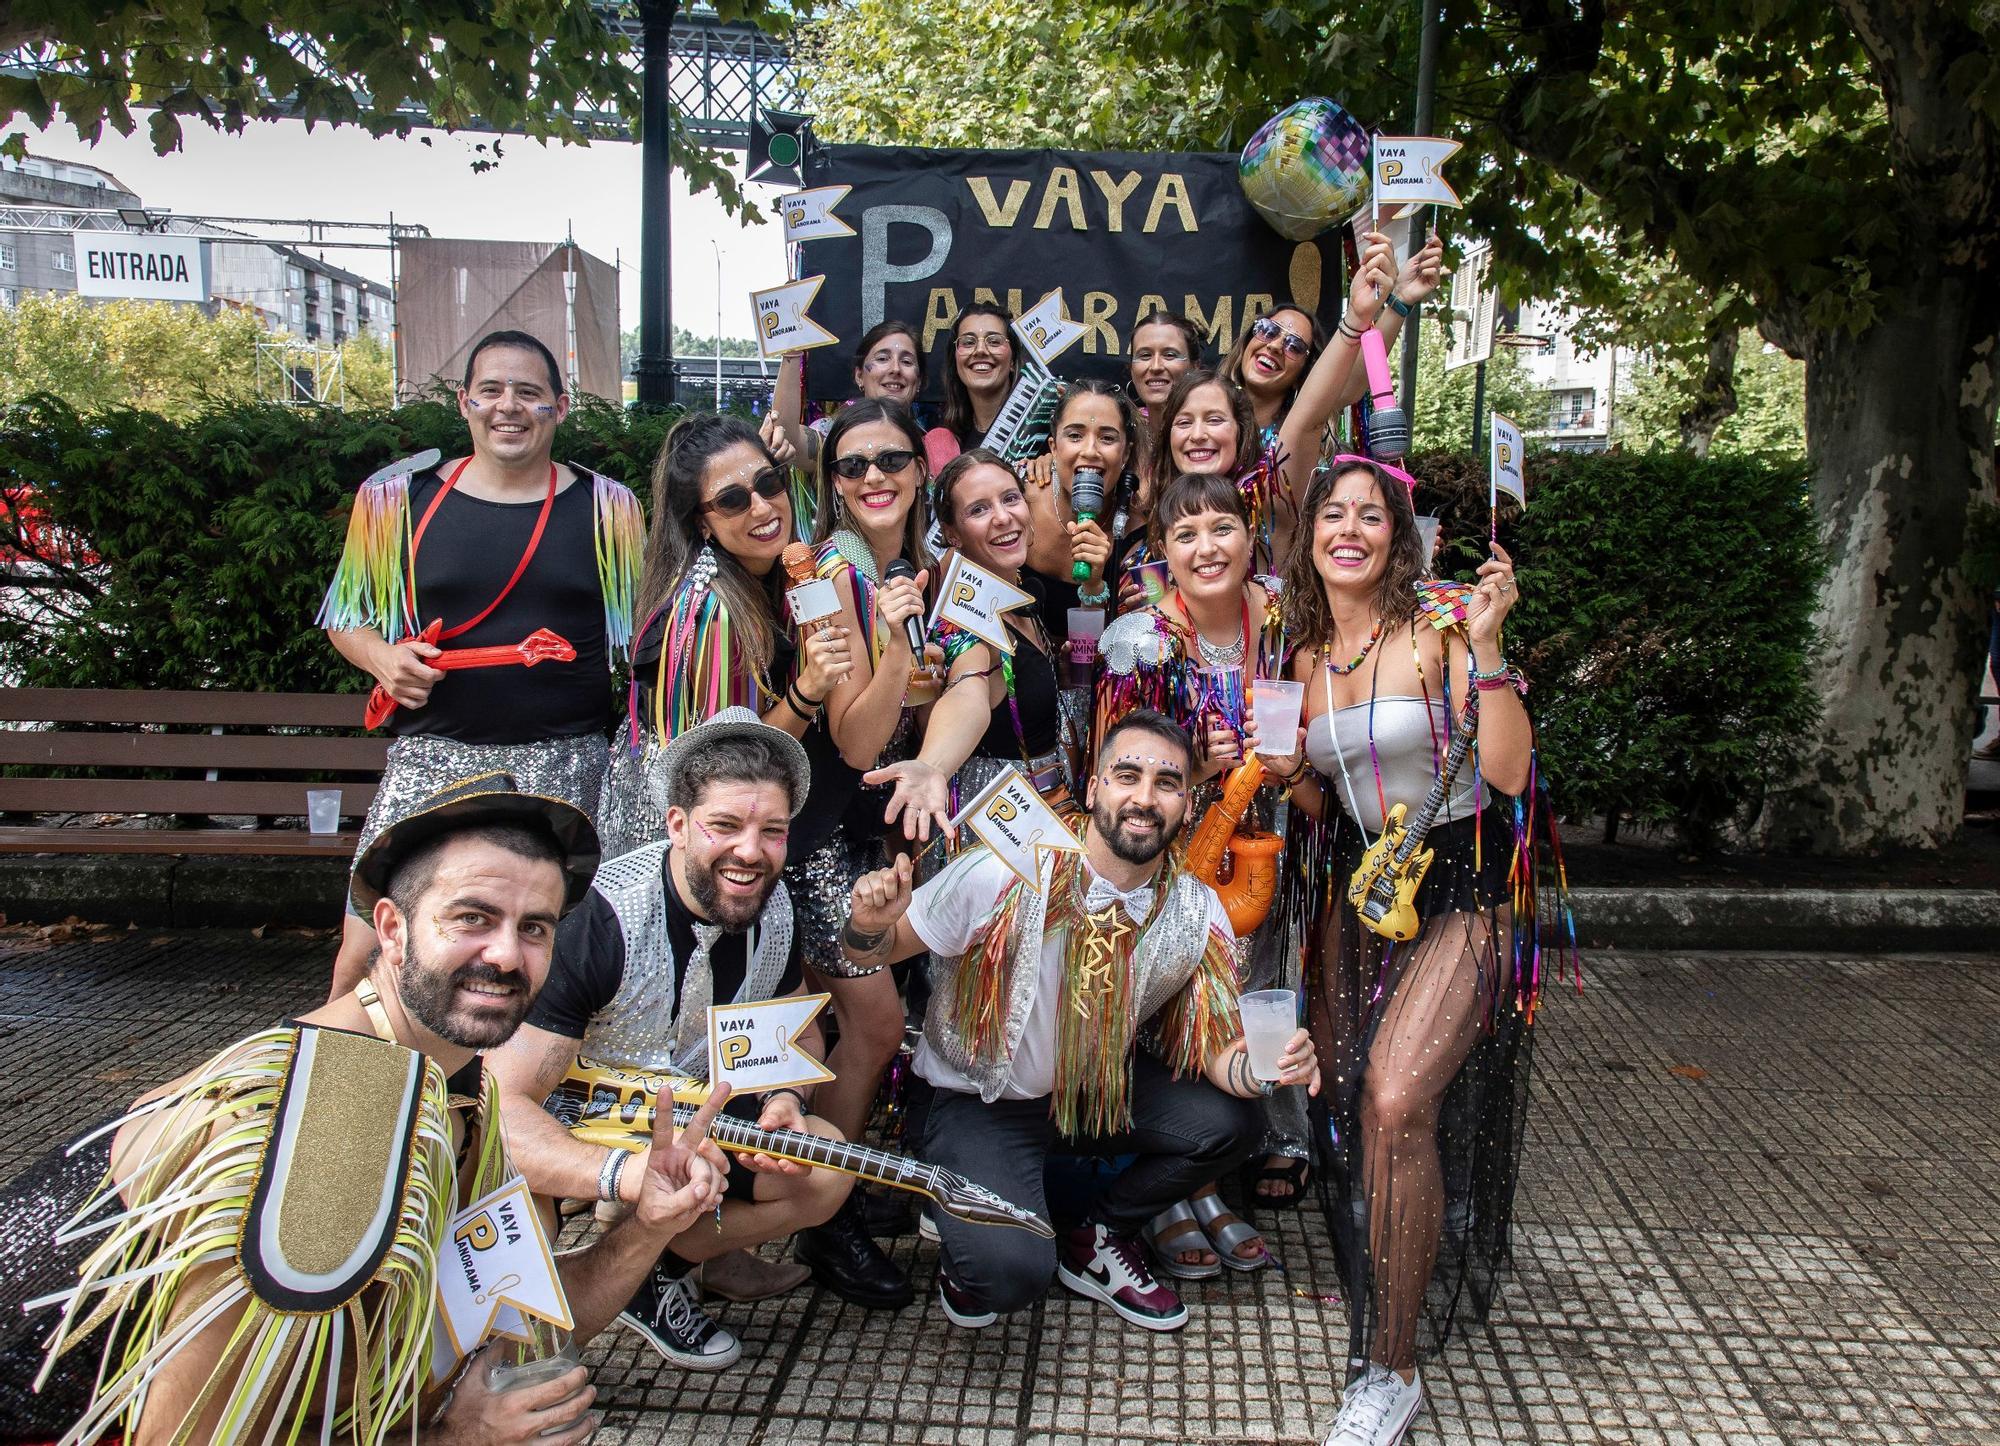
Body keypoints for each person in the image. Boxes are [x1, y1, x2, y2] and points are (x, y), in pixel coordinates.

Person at [5, 774, 730, 1444]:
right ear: (390, 928)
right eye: (472, 917)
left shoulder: (450, 1082)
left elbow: (519, 1325)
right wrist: (455, 1438)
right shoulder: (329, 1130)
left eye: (534, 927)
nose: (507, 956)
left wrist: (646, 1227)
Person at [838, 709, 1319, 1333]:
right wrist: (869, 927)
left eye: (1167, 783)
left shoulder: (1194, 909)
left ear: (1186, 802)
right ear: (1093, 789)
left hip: (1093, 1095)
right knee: (1008, 1277)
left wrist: (1262, 1068)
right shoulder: (1009, 868)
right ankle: (967, 1205)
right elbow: (871, 952)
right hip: (983, 1101)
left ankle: (1097, 1235)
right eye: (1127, 775)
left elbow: (1213, 1051)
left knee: (1232, 1121)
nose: (1144, 798)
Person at [597, 412, 910, 1308]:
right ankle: (797, 1218)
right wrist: (809, 688)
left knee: (780, 1045)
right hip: (756, 856)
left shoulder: (793, 578)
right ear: (700, 520)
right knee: (853, 1029)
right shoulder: (704, 609)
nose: (762, 506)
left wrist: (879, 649)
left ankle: (737, 1235)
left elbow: (853, 740)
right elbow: (720, 780)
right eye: (732, 499)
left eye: (770, 483)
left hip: (812, 835)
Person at [1267, 457, 1541, 1446]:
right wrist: (1277, 770)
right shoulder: (1305, 657)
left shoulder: (1434, 630)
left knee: (1393, 1096)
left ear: (1398, 534)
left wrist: (1489, 644)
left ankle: (1388, 1368)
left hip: (1463, 886)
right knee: (1357, 1110)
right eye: (1329, 513)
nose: (1348, 528)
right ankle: (1394, 1270)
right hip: (1364, 896)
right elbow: (1321, 797)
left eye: (1368, 515)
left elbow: (1505, 769)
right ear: (1306, 537)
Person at [489, 710, 889, 1378]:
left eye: (772, 831)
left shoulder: (775, 904)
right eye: (725, 826)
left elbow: (800, 1028)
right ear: (677, 825)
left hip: (696, 1115)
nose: (750, 852)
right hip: (580, 1123)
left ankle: (661, 1271)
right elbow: (502, 1108)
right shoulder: (602, 917)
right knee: (511, 1226)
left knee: (826, 1164)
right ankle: (509, 1361)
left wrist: (787, 1096)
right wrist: (623, 1177)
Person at [318, 329, 644, 1001]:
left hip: (568, 764)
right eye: (491, 390)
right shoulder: (393, 502)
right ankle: (341, 1097)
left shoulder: (610, 509)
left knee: (549, 952)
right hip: (435, 758)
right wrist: (383, 658)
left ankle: (514, 1097)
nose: (509, 407)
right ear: (465, 403)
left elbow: (647, 633)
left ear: (559, 406)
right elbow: (345, 618)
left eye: (529, 393)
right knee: (367, 946)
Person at [1094, 472, 1291, 1273]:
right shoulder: (1139, 636)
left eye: (1223, 528)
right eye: (1185, 535)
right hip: (1173, 853)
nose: (1207, 547)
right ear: (1163, 554)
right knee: (1177, 1001)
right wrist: (1195, 773)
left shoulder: (1283, 615)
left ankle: (1215, 1174)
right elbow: (1111, 769)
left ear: (1252, 537)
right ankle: (1177, 1191)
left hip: (1274, 840)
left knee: (1250, 993)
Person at [1121, 229, 1400, 585]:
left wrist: (1357, 319)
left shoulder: (1267, 496)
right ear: (1167, 434)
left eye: (1215, 419)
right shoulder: (1158, 503)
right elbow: (1158, 612)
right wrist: (1137, 602)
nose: (1198, 434)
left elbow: (1310, 417)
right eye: (1184, 422)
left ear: (1242, 431)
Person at [864, 449, 1081, 844]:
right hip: (990, 838)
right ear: (952, 534)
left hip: (1043, 813)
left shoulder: (1021, 593)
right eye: (979, 510)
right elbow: (970, 685)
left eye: (1010, 498)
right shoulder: (964, 618)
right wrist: (933, 765)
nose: (1002, 517)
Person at [770, 320, 928, 474]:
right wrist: (791, 350)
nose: (895, 369)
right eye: (882, 359)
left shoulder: (933, 444)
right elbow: (786, 437)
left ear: (919, 381)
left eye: (907, 361)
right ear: (859, 376)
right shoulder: (833, 433)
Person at [923, 304, 1019, 473]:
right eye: (968, 342)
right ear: (955, 360)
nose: (980, 350)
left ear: (1012, 361)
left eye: (994, 341)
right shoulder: (947, 442)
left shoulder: (1040, 428)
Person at [1127, 308, 1204, 413]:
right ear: (1131, 368)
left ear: (1195, 367)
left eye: (1169, 355)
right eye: (1145, 355)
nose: (1156, 366)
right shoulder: (1121, 427)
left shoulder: (1212, 428)